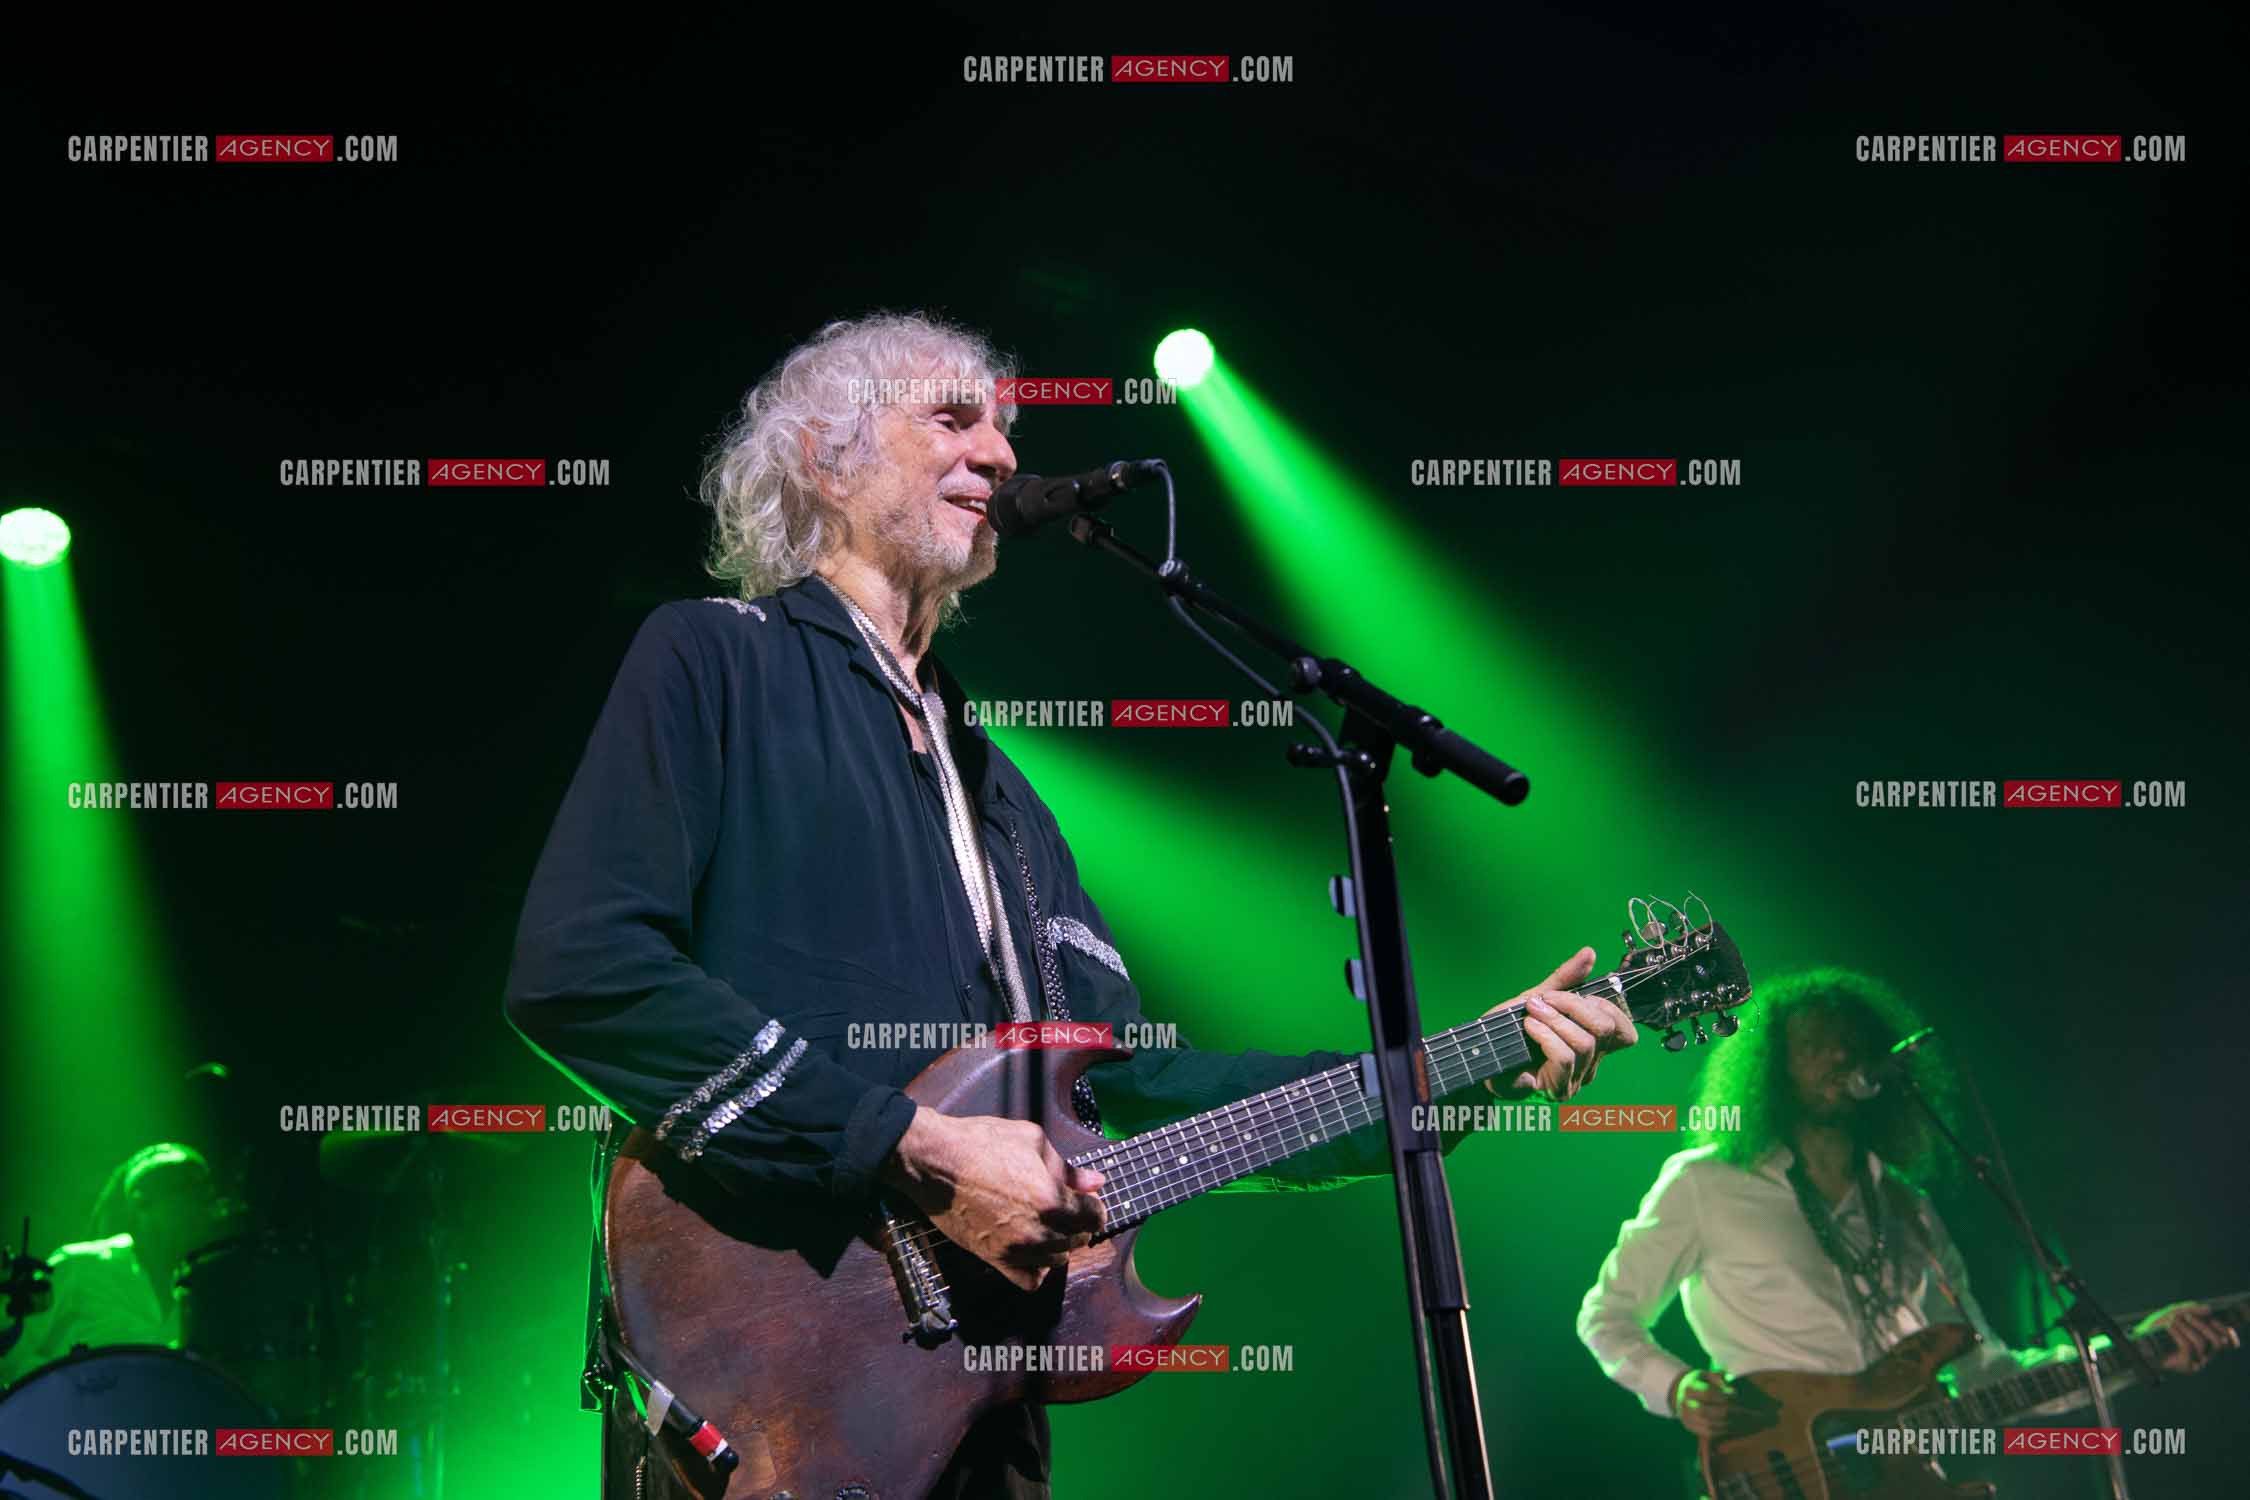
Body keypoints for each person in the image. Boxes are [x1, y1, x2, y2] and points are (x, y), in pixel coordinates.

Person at [503, 311, 1641, 1498]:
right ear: (824, 461)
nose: (1000, 453)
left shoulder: (1008, 800)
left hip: (974, 1415)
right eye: (953, 419)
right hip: (766, 1389)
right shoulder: (716, 660)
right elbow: (583, 973)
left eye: (1004, 427)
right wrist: (914, 1148)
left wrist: (1452, 1069)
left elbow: (1131, 1088)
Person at [1577, 967, 2233, 1490]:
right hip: (1781, 1466)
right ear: (1771, 1065)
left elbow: (1984, 1374)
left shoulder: (1909, 1207)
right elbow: (1606, 1315)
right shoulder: (1706, 1183)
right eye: (1814, 1043)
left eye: (1851, 1041)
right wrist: (1677, 1387)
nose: (1840, 1053)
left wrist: (2136, 1353)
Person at [0, 1143, 226, 1388]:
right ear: (141, 1202)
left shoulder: (205, 1293)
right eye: (186, 1194)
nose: (201, 1210)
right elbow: (8, 1352)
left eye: (206, 1197)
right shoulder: (79, 1265)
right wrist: (68, 1390)